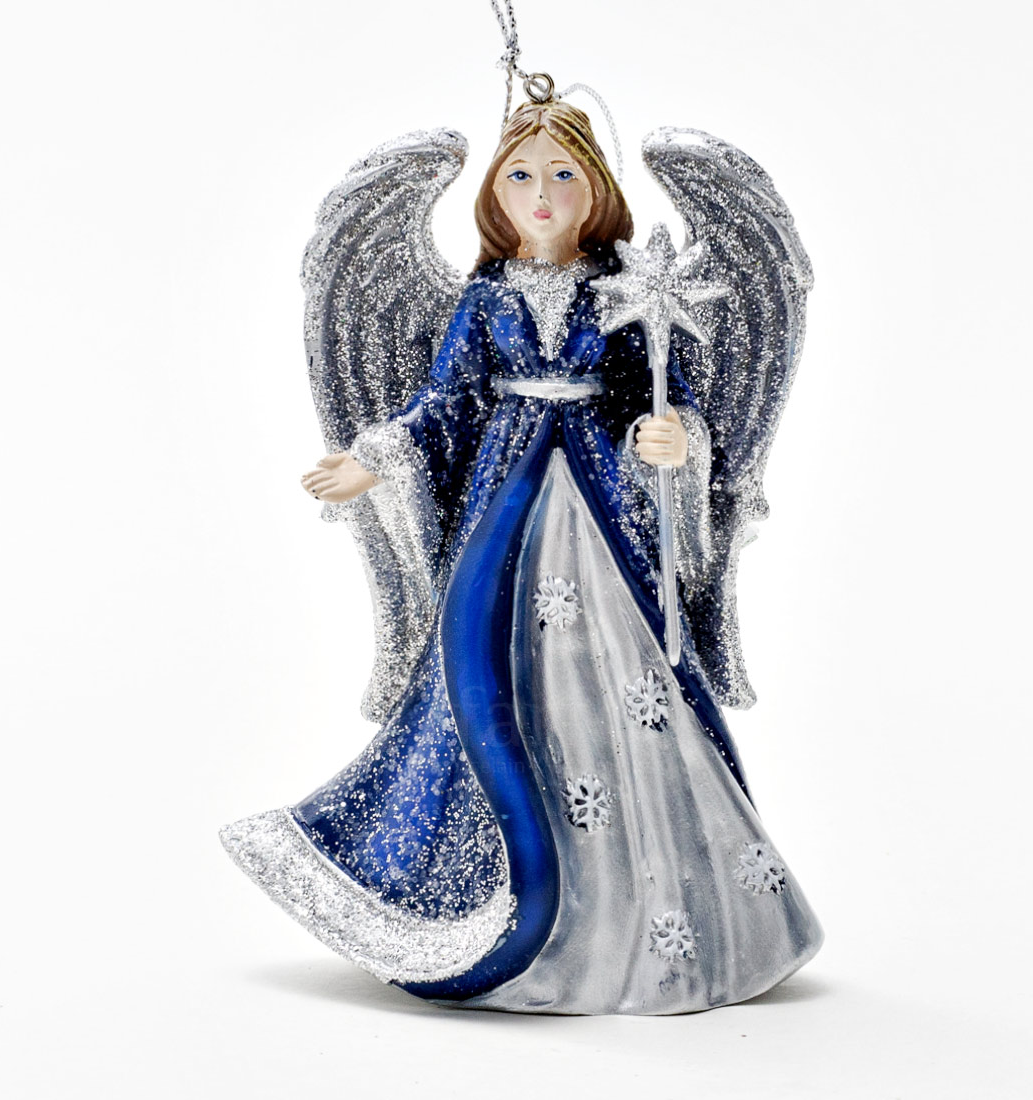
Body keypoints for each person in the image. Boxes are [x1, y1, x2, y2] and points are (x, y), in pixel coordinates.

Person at [221, 99, 821, 1014]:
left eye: (564, 175)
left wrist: (676, 442)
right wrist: (376, 455)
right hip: (507, 500)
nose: (543, 194)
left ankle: (656, 907)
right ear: (495, 193)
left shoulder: (627, 289)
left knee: (629, 674)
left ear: (597, 189)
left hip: (603, 504)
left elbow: (667, 395)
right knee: (485, 659)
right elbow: (445, 401)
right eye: (522, 176)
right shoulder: (487, 298)